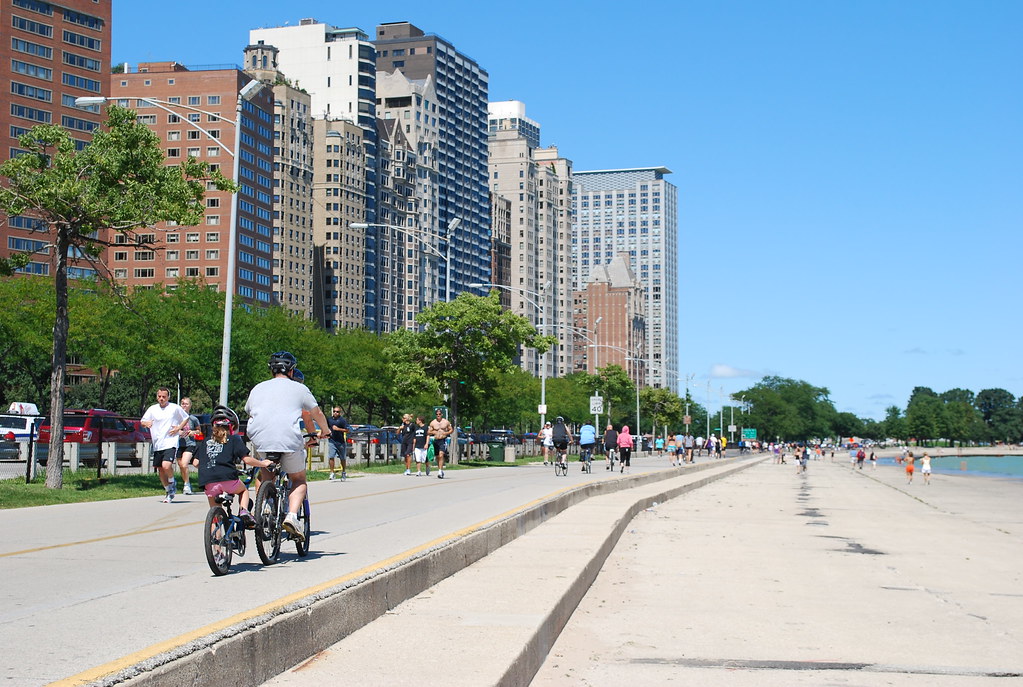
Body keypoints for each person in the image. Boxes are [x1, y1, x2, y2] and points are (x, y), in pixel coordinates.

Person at [245, 351, 330, 541]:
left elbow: (249, 410)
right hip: (288, 439)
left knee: (265, 473)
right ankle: (291, 516)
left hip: (261, 438)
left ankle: (266, 506)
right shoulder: (299, 389)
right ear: (291, 371)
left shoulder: (258, 388)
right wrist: (325, 430)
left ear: (272, 370)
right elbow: (315, 413)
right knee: (298, 479)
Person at [191, 406, 271, 528]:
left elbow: (196, 463)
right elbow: (247, 459)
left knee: (215, 516)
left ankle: (216, 539)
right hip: (228, 479)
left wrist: (210, 467)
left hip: (208, 482)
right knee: (243, 491)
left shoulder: (205, 441)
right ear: (232, 427)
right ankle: (244, 511)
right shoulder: (233, 439)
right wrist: (263, 463)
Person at [141, 387, 189, 503]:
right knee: (161, 469)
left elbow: (186, 417)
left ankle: (172, 481)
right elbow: (142, 421)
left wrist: (178, 428)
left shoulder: (174, 408)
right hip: (158, 443)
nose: (161, 399)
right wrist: (146, 423)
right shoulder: (152, 409)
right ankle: (168, 491)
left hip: (170, 441)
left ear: (168, 397)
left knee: (166, 465)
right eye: (159, 396)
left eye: (164, 396)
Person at [175, 397, 200, 496]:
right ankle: (187, 483)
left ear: (190, 406)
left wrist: (193, 432)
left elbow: (199, 431)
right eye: (182, 403)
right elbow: (171, 429)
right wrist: (178, 431)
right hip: (178, 444)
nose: (184, 405)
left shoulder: (193, 419)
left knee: (184, 464)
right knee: (181, 466)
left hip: (189, 444)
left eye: (186, 404)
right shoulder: (176, 418)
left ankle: (186, 485)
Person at [327, 406, 351, 481]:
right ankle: (332, 473)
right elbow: (326, 427)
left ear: (340, 413)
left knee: (342, 458)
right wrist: (327, 432)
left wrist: (338, 429)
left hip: (340, 442)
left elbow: (347, 430)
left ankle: (343, 472)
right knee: (331, 456)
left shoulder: (342, 420)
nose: (335, 413)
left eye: (337, 412)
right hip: (332, 441)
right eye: (334, 411)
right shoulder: (329, 419)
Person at [427, 408, 452, 479]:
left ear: (442, 414)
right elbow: (429, 432)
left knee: (441, 455)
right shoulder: (433, 423)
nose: (438, 415)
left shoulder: (446, 422)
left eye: (439, 414)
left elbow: (451, 429)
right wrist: (434, 432)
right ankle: (440, 469)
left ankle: (440, 471)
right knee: (437, 456)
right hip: (436, 440)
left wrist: (446, 433)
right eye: (437, 414)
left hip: (443, 440)